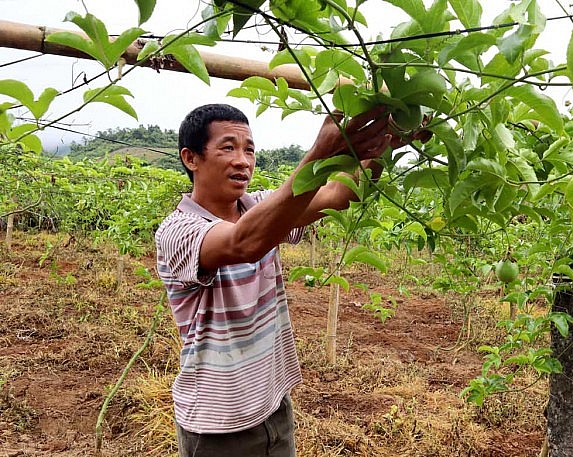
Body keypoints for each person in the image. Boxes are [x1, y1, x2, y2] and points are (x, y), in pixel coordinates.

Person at [155, 103, 426, 457]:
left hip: (273, 406)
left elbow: (338, 195)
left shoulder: (261, 208)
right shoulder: (177, 231)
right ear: (191, 158)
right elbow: (244, 242)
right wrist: (319, 153)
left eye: (249, 149)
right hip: (218, 424)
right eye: (228, 147)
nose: (243, 161)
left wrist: (389, 145)